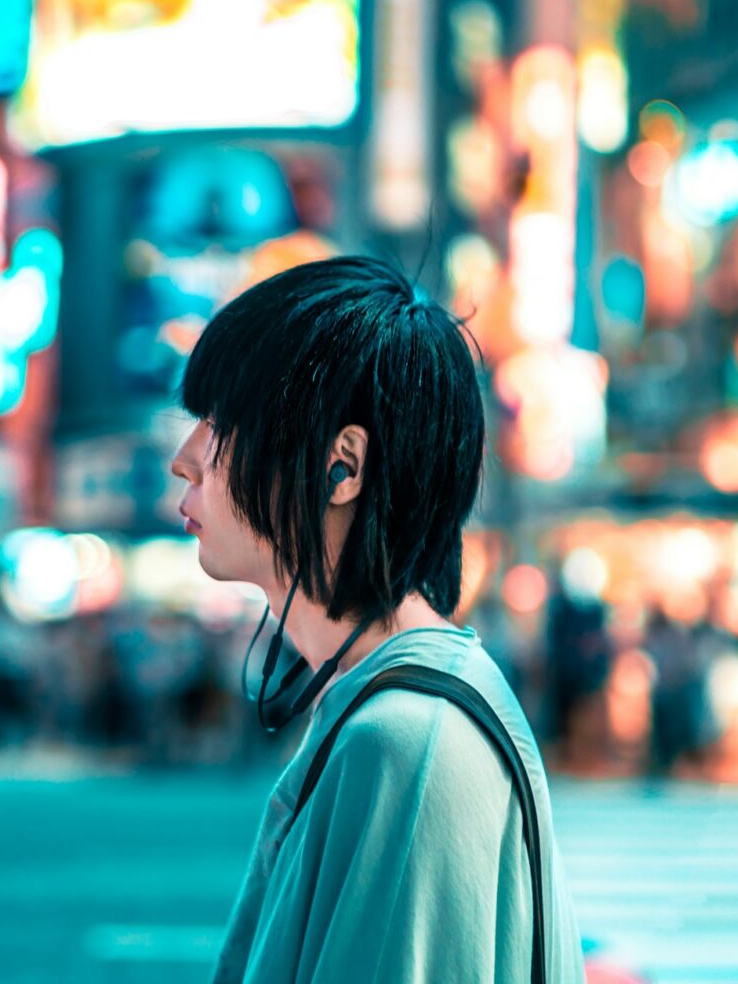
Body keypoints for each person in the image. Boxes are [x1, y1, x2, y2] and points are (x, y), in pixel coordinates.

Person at [170, 256, 586, 983]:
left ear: (342, 466)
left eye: (221, 426)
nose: (185, 461)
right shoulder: (387, 704)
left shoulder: (407, 742)